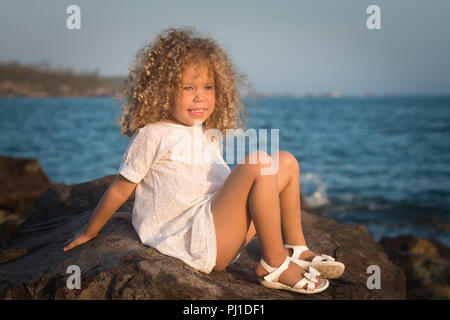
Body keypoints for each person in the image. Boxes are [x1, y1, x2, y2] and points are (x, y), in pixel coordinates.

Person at [63, 27, 344, 295]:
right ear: (162, 92)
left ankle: (295, 247)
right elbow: (121, 188)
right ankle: (273, 263)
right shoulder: (152, 134)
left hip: (222, 229)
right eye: (188, 88)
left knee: (286, 161)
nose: (200, 97)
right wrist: (91, 231)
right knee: (258, 161)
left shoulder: (204, 131)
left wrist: (137, 215)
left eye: (208, 87)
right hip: (198, 240)